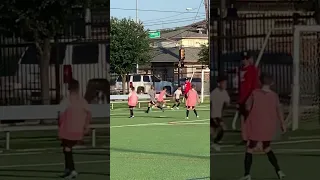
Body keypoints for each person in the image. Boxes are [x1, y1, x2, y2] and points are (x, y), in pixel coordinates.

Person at [239, 74, 286, 180]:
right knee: (267, 148)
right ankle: (279, 171)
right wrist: (282, 123)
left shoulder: (254, 93)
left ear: (260, 82)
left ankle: (247, 174)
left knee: (250, 149)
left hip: (256, 126)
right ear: (272, 83)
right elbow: (279, 110)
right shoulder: (274, 96)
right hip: (268, 127)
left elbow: (247, 107)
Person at [58, 79, 91, 179]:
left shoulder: (66, 100)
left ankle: (72, 170)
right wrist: (86, 126)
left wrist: (59, 126)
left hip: (68, 130)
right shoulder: (82, 101)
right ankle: (68, 169)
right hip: (78, 130)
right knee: (66, 148)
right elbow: (89, 113)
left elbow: (60, 115)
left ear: (69, 89)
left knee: (67, 149)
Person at [238, 52, 259, 144]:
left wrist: (251, 97)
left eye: (246, 58)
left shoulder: (252, 69)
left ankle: (253, 137)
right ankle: (245, 138)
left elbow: (254, 84)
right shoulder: (241, 70)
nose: (245, 60)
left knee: (251, 118)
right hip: (242, 97)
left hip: (249, 97)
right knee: (243, 117)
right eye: (243, 59)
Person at [210, 76, 230, 151]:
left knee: (212, 132)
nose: (225, 85)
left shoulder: (224, 92)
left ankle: (214, 141)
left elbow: (227, 102)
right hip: (214, 115)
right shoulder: (214, 93)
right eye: (223, 83)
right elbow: (211, 103)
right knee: (222, 128)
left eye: (226, 83)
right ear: (219, 84)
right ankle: (215, 143)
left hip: (219, 115)